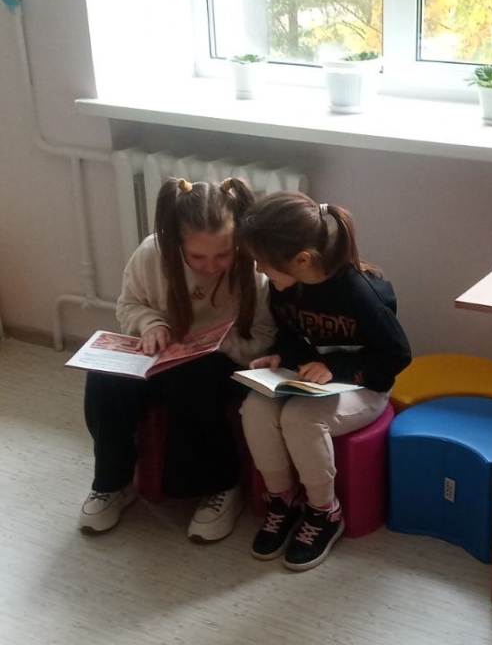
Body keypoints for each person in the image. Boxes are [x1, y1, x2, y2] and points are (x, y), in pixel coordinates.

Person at [79, 177, 275, 539]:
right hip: (163, 356)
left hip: (226, 363)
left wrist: (220, 343)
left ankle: (220, 485)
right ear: (176, 242)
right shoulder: (151, 254)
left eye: (223, 254)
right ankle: (113, 482)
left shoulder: (253, 267)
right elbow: (129, 304)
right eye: (197, 256)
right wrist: (151, 324)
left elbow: (265, 336)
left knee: (192, 378)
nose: (211, 266)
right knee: (105, 379)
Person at [235, 192, 412, 571]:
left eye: (265, 264)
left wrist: (338, 368)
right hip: (313, 382)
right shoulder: (284, 288)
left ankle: (324, 510)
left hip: (366, 386)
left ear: (301, 260)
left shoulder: (360, 294)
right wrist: (281, 357)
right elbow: (291, 335)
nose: (260, 271)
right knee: (255, 407)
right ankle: (282, 499)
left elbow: (396, 357)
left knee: (301, 419)